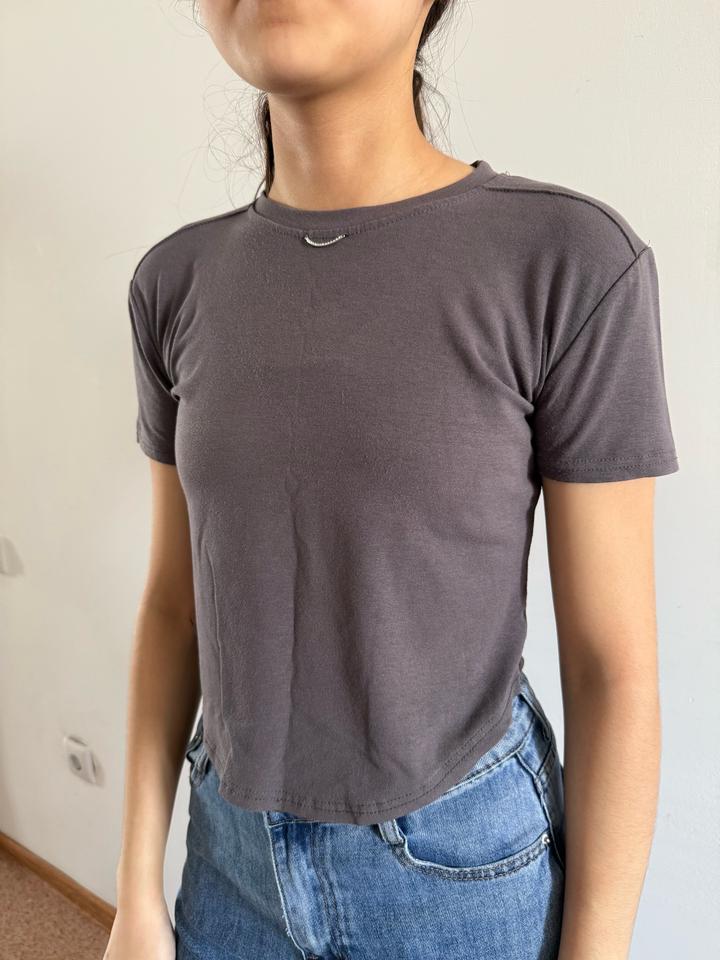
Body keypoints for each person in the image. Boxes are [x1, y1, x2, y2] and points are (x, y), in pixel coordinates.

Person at [106, 2, 680, 959]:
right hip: (228, 862)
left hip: (460, 872)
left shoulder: (568, 263)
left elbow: (612, 666)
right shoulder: (173, 282)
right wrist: (135, 892)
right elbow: (174, 606)